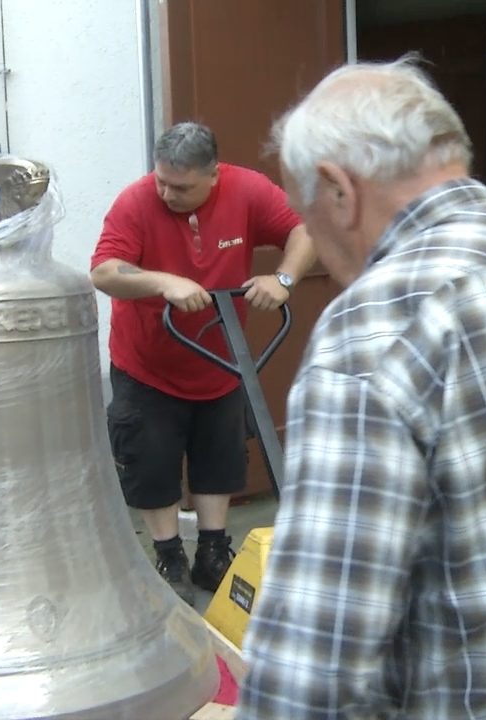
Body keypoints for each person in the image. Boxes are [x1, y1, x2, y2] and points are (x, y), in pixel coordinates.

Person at [238, 56, 486, 718]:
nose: (316, 243)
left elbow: (313, 670)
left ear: (339, 191)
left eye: (306, 215)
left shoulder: (374, 329)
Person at [89, 122, 316, 603]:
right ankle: (169, 554)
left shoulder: (248, 190)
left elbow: (303, 229)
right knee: (152, 461)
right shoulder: (135, 202)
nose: (168, 194)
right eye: (162, 182)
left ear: (214, 175)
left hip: (221, 359)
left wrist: (284, 279)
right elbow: (105, 271)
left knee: (221, 456)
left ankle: (213, 553)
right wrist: (162, 282)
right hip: (147, 363)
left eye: (182, 187)